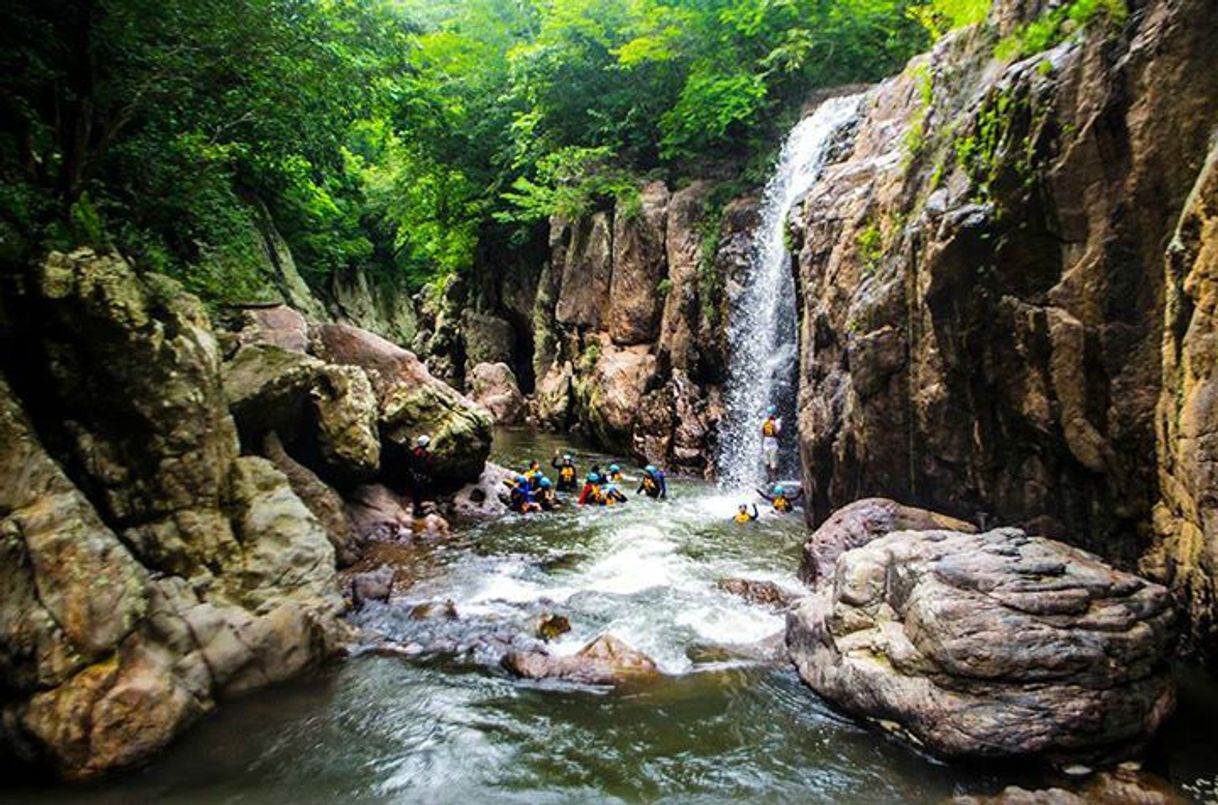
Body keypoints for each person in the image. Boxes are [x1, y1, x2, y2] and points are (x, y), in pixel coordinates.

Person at [408, 435, 433, 516]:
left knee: (419, 491)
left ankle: (418, 507)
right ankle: (417, 509)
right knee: (417, 491)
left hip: (419, 475)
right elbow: (417, 465)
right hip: (418, 475)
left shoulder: (419, 452)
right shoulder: (418, 453)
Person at [761, 405, 782, 483]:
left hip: (773, 444)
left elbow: (777, 433)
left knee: (774, 463)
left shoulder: (777, 421)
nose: (770, 415)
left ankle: (775, 478)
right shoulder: (764, 421)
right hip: (766, 444)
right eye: (769, 413)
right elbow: (762, 432)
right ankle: (768, 478)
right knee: (767, 463)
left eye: (772, 413)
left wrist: (773, 425)